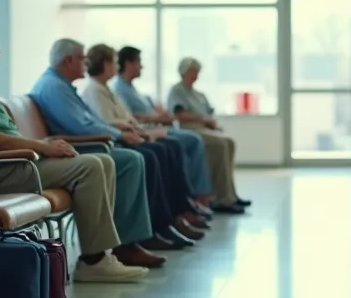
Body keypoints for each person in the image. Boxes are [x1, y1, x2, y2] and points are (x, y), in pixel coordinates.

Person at [0, 16, 156, 274]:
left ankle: (102, 253)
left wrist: (42, 145)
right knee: (90, 166)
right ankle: (94, 261)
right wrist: (43, 147)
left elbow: (4, 132)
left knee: (102, 160)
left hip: (17, 161)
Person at [31, 39, 208, 245]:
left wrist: (119, 130)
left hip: (85, 143)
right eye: (82, 58)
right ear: (68, 60)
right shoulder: (55, 87)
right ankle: (138, 237)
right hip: (81, 146)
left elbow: (92, 122)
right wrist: (119, 134)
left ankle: (165, 222)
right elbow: (83, 127)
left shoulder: (63, 86)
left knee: (157, 151)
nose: (86, 63)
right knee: (142, 157)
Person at [78, 44, 223, 218]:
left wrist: (141, 125)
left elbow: (126, 116)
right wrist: (143, 126)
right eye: (114, 62)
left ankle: (181, 209)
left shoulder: (106, 88)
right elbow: (109, 122)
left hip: (136, 132)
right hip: (120, 139)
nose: (117, 67)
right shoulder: (96, 90)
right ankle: (177, 211)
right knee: (165, 149)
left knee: (170, 147)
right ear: (105, 64)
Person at [115, 47, 244, 214]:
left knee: (228, 142)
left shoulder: (133, 89)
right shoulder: (121, 89)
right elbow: (170, 114)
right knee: (199, 142)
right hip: (158, 128)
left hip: (161, 127)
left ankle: (227, 194)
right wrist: (158, 118)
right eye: (139, 62)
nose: (142, 66)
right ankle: (202, 198)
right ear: (128, 63)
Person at [164, 56, 252, 211]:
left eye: (197, 71)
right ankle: (220, 198)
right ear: (183, 72)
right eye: (192, 71)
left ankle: (230, 194)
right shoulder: (177, 90)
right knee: (219, 144)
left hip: (205, 129)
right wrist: (202, 119)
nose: (196, 75)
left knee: (229, 142)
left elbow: (210, 113)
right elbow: (179, 114)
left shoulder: (199, 94)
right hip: (190, 129)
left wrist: (211, 123)